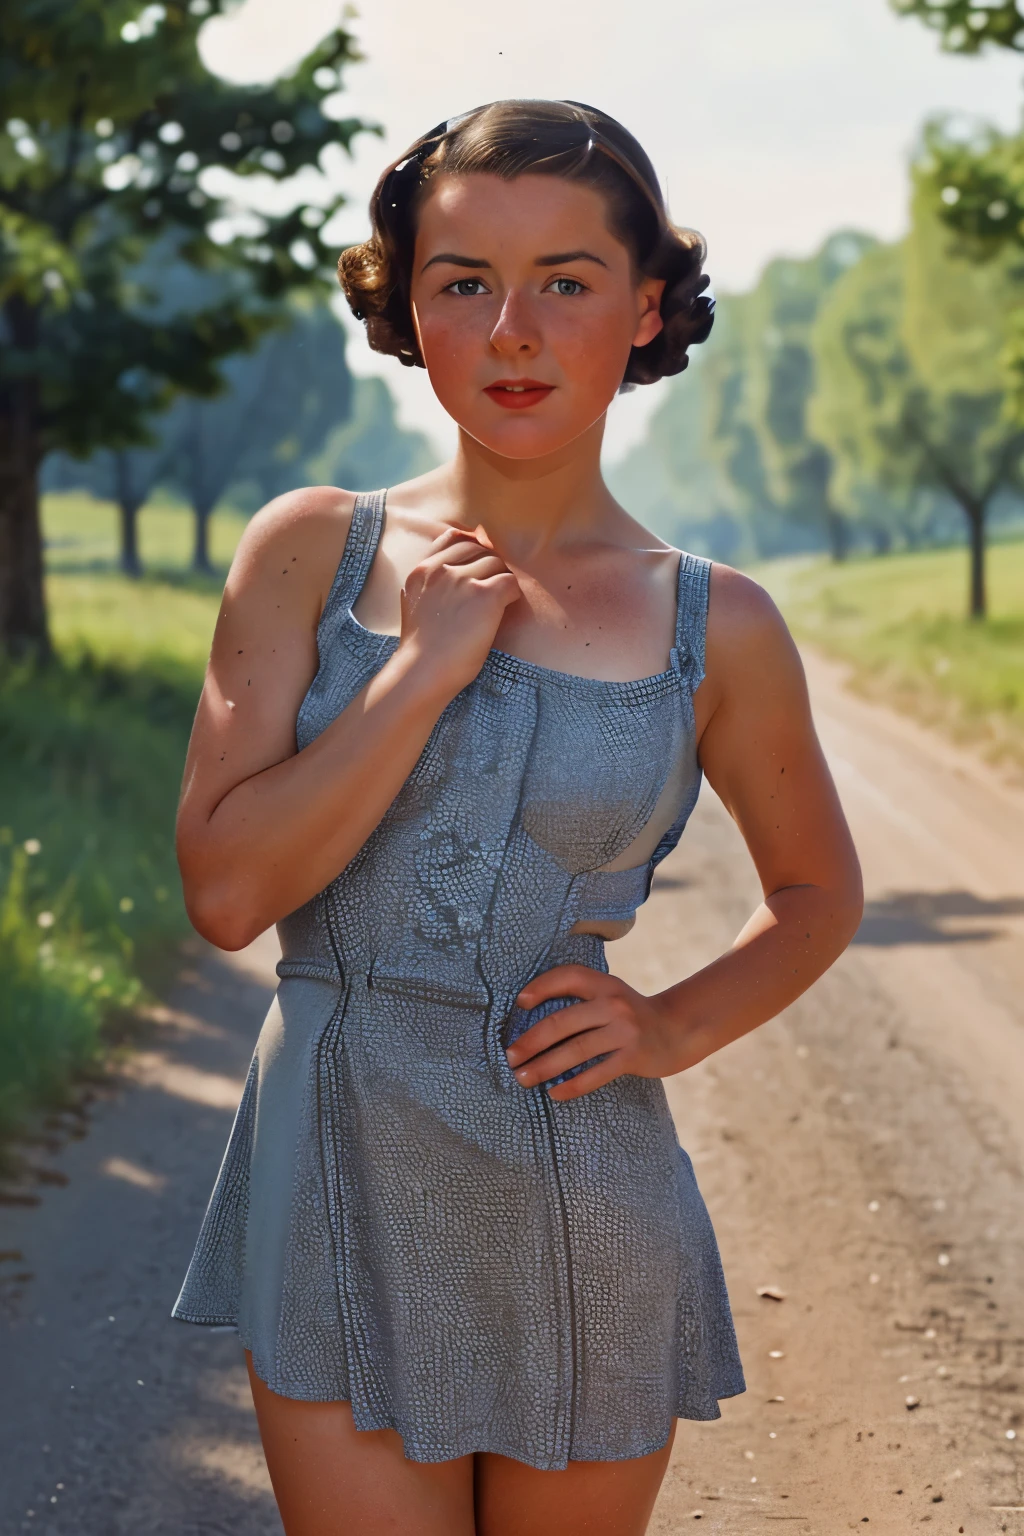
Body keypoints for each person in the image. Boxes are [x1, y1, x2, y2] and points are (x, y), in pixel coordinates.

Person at [171, 99, 863, 1536]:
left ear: (646, 305)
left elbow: (815, 894)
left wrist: (667, 1027)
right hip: (342, 1158)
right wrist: (423, 670)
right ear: (407, 304)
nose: (512, 333)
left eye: (566, 281)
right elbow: (230, 895)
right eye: (464, 283)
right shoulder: (310, 550)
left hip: (583, 1183)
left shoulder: (715, 622)